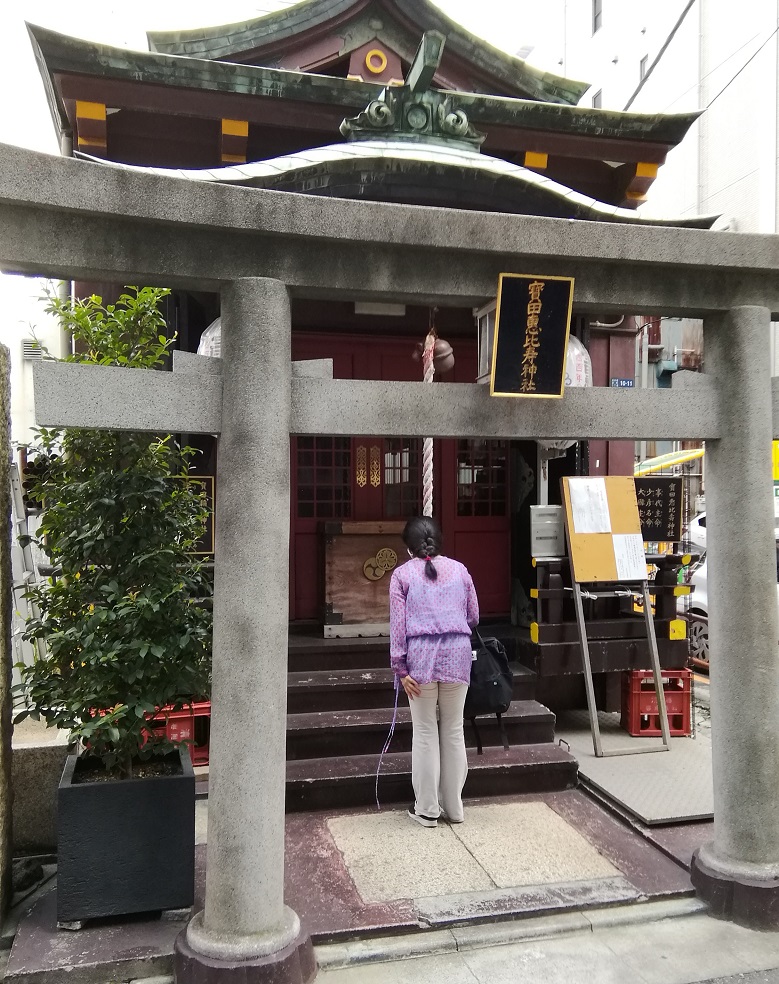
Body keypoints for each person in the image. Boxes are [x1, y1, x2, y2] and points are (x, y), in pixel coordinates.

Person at [389, 516, 479, 828]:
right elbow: (473, 616)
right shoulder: (460, 570)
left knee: (425, 731)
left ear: (408, 547)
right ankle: (455, 808)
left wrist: (400, 667)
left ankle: (427, 808)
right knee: (454, 730)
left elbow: (398, 627)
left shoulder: (402, 575)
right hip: (458, 653)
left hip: (419, 658)